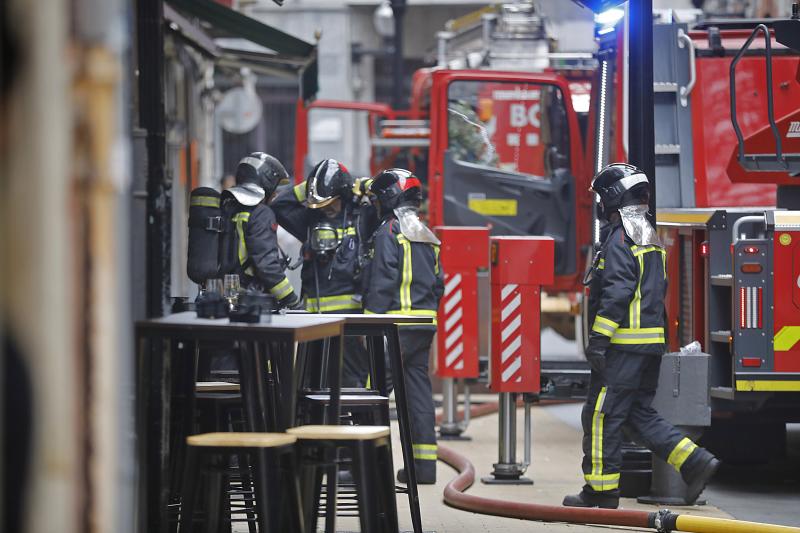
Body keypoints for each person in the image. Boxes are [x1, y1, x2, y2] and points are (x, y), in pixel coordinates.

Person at [563, 163, 719, 509]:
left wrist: (600, 340)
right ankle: (695, 462)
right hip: (648, 347)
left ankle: (600, 492)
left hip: (622, 347)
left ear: (614, 198)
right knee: (637, 415)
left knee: (601, 415)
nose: (600, 205)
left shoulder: (620, 240)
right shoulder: (648, 237)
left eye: (603, 198)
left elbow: (617, 294)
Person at [362, 168, 443, 484]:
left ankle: (368, 463)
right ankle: (422, 468)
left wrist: (367, 325)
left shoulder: (389, 232)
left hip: (391, 328)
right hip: (423, 327)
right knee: (418, 397)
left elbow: (382, 282)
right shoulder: (426, 233)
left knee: (373, 393)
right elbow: (439, 285)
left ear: (387, 198)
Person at [270, 158, 373, 386]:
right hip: (313, 321)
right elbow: (278, 207)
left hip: (349, 323)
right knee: (310, 385)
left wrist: (367, 186)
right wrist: (309, 185)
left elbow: (387, 204)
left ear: (344, 194)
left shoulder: (361, 218)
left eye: (330, 203)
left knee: (350, 386)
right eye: (319, 204)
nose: (325, 209)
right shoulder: (309, 219)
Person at [223, 152, 300, 308]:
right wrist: (291, 299)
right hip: (252, 301)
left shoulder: (228, 208)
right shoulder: (261, 213)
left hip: (225, 297)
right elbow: (266, 265)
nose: (276, 193)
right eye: (275, 186)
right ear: (265, 182)